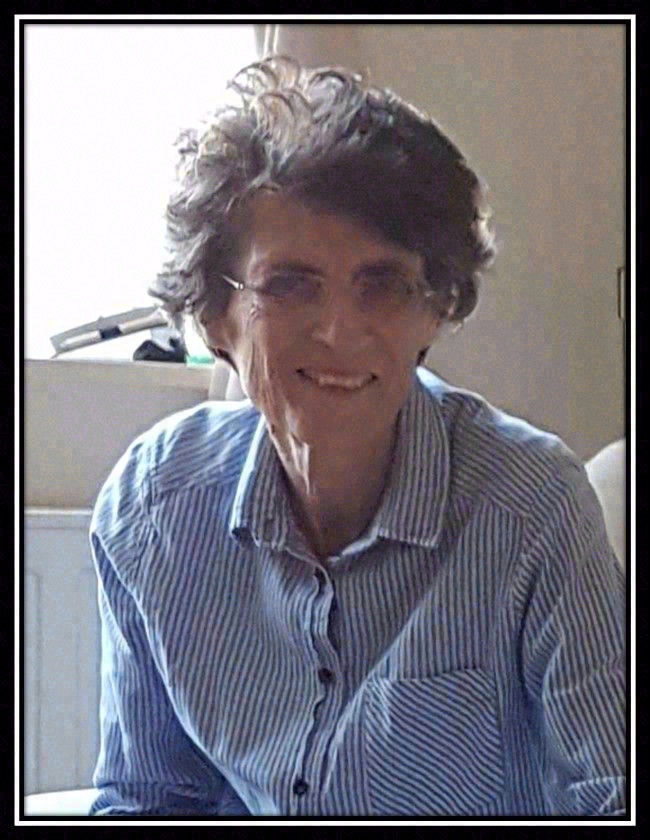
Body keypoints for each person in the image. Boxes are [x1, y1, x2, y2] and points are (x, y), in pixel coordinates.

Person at [88, 55, 625, 817]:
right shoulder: (152, 509)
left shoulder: (531, 508)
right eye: (290, 284)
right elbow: (149, 797)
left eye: (383, 285)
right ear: (213, 317)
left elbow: (611, 793)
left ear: (435, 308)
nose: (340, 331)